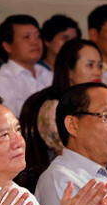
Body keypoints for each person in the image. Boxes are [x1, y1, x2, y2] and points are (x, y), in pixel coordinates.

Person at [20, 39, 102, 167]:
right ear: (69, 70)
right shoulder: (52, 109)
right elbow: (72, 160)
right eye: (90, 65)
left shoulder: (100, 106)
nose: (97, 72)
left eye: (100, 66)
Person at [0, 15, 53, 117]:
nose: (35, 42)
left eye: (38, 36)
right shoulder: (0, 82)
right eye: (26, 37)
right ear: (7, 46)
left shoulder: (49, 75)